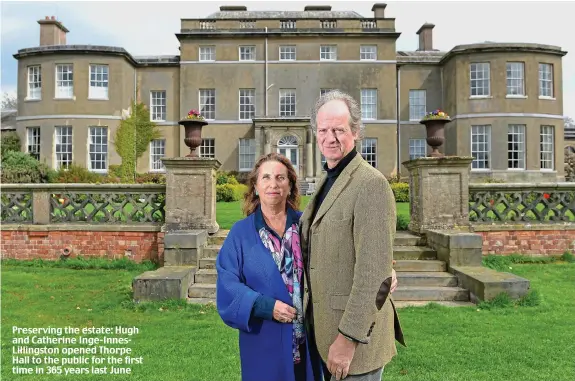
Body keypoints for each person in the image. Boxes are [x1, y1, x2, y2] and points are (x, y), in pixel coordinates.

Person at [299, 90, 406, 381]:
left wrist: (348, 339)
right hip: (321, 330)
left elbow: (374, 274)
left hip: (353, 344)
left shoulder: (371, 184)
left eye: (339, 130)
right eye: (323, 130)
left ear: (356, 132)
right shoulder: (328, 178)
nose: (330, 137)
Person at [216, 153, 320, 381]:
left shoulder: (307, 228)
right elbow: (227, 284)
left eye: (280, 178)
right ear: (255, 187)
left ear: (291, 186)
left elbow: (337, 259)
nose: (273, 184)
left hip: (308, 345)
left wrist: (382, 269)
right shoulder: (240, 234)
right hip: (263, 343)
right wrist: (264, 306)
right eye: (266, 177)